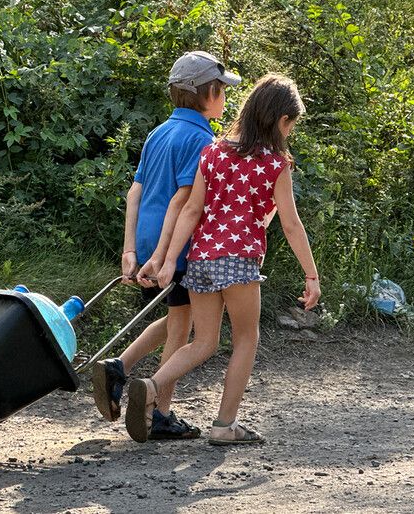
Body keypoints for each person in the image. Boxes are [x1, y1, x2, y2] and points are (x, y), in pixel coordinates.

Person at [125, 73, 321, 445]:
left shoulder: (211, 152)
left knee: (204, 342)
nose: (290, 133)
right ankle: (224, 425)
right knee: (246, 338)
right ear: (281, 121)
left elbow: (190, 211)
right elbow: (292, 226)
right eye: (291, 125)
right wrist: (311, 275)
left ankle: (151, 385)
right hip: (239, 262)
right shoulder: (275, 164)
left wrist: (167, 260)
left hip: (200, 258)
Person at [91, 51, 240, 440]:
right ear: (207, 93)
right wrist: (164, 255)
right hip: (175, 243)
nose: (226, 97)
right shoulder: (202, 139)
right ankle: (159, 412)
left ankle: (119, 368)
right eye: (223, 90)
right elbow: (183, 202)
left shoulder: (159, 132)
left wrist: (130, 250)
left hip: (145, 237)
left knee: (180, 316)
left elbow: (134, 192)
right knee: (180, 329)